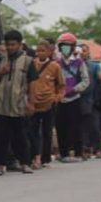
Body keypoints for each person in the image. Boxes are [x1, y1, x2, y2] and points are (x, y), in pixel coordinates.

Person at [0, 30, 35, 176]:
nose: (10, 47)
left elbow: (32, 82)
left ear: (20, 45)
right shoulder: (1, 60)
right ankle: (0, 164)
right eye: (8, 44)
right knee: (1, 137)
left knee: (21, 136)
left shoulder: (28, 61)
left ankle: (25, 163)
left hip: (19, 104)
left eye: (13, 45)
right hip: (2, 105)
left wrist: (31, 102)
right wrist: (1, 71)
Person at [29, 40, 65, 168]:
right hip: (34, 103)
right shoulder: (31, 64)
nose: (40, 53)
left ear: (49, 52)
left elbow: (61, 85)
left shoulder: (55, 66)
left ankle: (45, 158)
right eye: (38, 51)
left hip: (49, 103)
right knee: (33, 131)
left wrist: (57, 97)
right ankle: (35, 156)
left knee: (47, 132)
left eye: (43, 50)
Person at [55, 33, 90, 162]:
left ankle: (78, 152)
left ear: (73, 47)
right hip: (60, 99)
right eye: (63, 46)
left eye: (68, 46)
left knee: (76, 126)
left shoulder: (79, 62)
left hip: (74, 98)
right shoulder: (56, 63)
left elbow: (86, 81)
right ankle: (63, 153)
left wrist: (74, 89)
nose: (65, 48)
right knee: (60, 126)